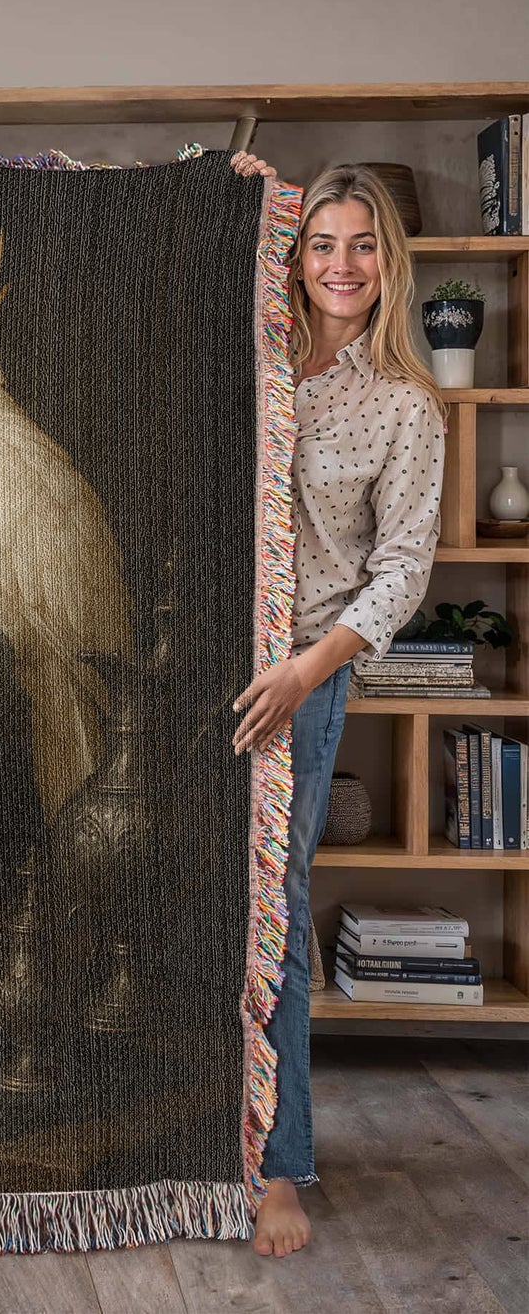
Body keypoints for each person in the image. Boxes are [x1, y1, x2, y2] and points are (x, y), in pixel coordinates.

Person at [229, 154, 446, 1257]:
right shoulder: (249, 354)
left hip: (300, 680)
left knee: (274, 903)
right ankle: (169, 1132)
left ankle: (278, 1162)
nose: (341, 264)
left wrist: (303, 673)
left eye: (362, 244)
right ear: (294, 254)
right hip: (195, 658)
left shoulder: (402, 403)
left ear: (387, 261)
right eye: (321, 242)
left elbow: (399, 570)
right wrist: (219, 189)